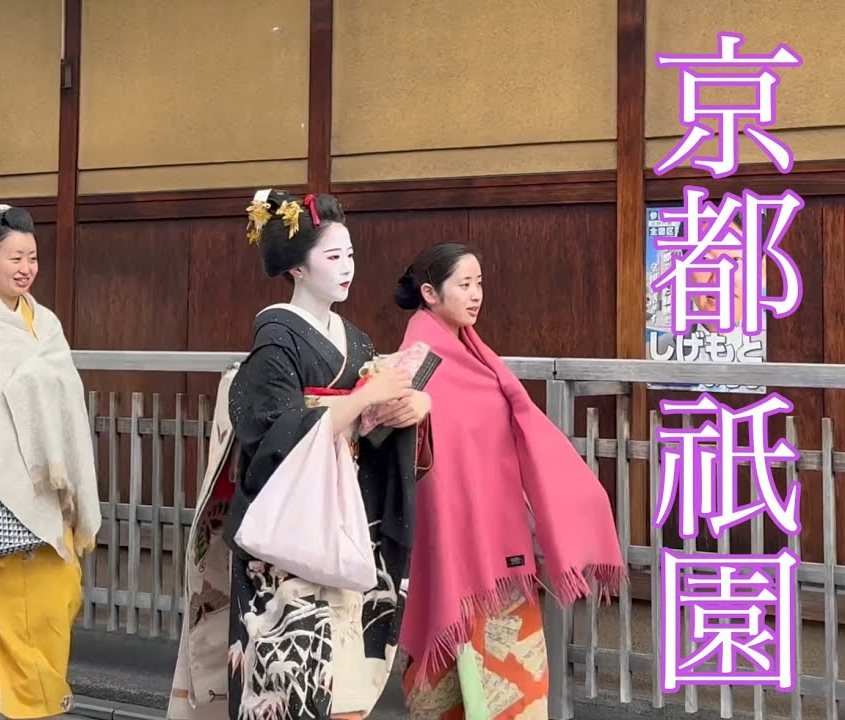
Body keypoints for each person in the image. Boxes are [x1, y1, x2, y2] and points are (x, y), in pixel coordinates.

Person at [168, 190, 432, 720]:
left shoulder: (352, 340)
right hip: (285, 537)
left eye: (351, 254)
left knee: (347, 689)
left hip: (343, 520)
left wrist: (411, 407)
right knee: (290, 688)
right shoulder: (275, 341)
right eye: (333, 257)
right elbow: (271, 437)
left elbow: (369, 424)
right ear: (295, 267)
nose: (347, 268)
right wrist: (361, 401)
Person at [392, 243, 625, 720]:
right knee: (455, 660)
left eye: (479, 284)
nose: (476, 295)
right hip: (448, 530)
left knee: (509, 668)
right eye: (465, 285)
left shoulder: (470, 350)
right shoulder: (419, 358)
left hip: (494, 531)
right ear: (430, 293)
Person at [0, 203, 102, 720]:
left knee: (41, 603)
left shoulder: (44, 320)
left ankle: (4, 705)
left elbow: (65, 399)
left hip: (43, 483)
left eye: (32, 256)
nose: (27, 268)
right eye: (15, 258)